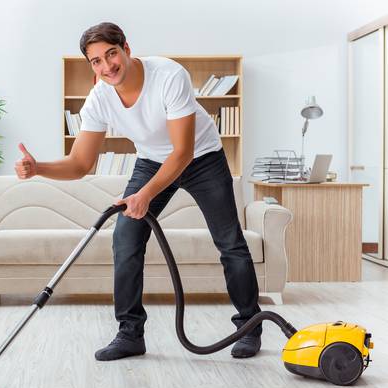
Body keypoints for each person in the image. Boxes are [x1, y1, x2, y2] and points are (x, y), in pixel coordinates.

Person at [14, 22, 262, 361]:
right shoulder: (100, 98)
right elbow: (81, 163)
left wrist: (145, 194)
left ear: (126, 49)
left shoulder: (169, 76)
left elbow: (182, 153)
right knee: (126, 238)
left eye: (111, 54)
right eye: (96, 61)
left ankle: (249, 327)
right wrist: (37, 167)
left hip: (201, 157)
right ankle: (130, 333)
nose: (106, 66)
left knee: (229, 242)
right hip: (151, 160)